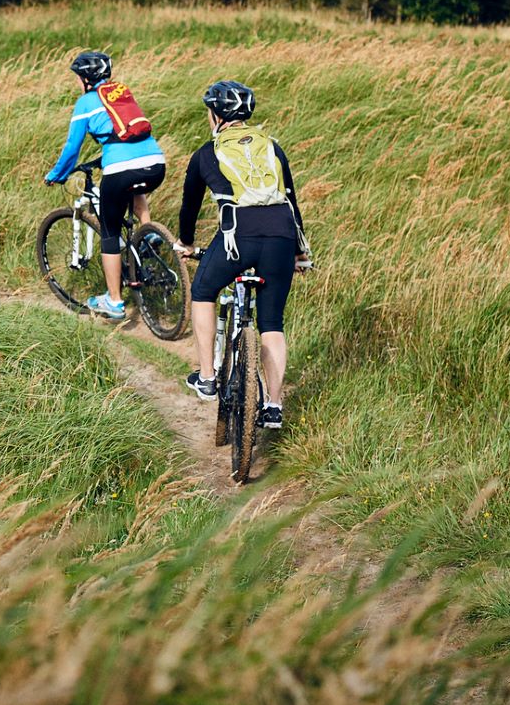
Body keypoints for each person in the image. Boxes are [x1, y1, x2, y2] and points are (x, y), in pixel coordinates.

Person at [174, 79, 311, 430]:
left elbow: (189, 206)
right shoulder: (273, 147)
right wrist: (299, 252)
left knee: (203, 291)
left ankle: (206, 376)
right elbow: (290, 199)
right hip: (282, 235)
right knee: (271, 323)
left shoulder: (207, 152)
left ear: (216, 115)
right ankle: (274, 405)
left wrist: (187, 243)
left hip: (239, 236)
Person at [42, 49, 169, 321]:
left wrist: (56, 174)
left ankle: (114, 301)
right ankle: (149, 234)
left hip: (121, 168)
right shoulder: (121, 92)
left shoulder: (85, 103)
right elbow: (127, 133)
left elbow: (72, 147)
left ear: (86, 79)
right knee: (135, 189)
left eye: (78, 78)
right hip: (156, 163)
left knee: (110, 233)